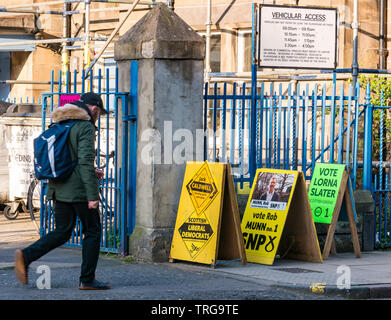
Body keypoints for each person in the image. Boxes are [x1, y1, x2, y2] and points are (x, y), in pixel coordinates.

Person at [14, 92, 110, 290]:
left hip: (58, 187)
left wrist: (92, 170)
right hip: (80, 191)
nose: (98, 117)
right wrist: (93, 195)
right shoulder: (84, 126)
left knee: (62, 231)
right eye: (99, 113)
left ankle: (26, 256)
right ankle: (87, 279)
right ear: (94, 110)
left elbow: (67, 158)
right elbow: (83, 161)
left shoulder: (60, 124)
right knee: (92, 231)